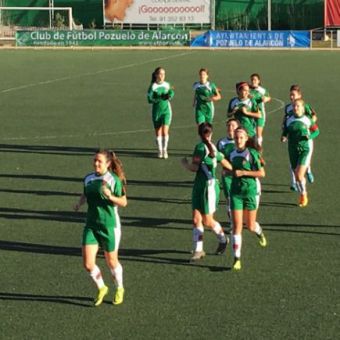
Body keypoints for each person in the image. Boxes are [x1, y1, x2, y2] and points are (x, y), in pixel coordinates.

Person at [74, 149, 127, 306]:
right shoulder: (88, 178)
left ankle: (119, 288)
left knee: (111, 261)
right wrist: (79, 203)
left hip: (109, 226)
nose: (96, 163)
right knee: (88, 263)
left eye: (100, 161)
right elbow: (85, 194)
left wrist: (110, 196)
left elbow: (124, 202)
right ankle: (102, 287)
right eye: (95, 160)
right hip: (91, 225)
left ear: (108, 163)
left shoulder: (114, 180)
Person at [181, 122, 233, 261]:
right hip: (200, 185)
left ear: (199, 133)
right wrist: (233, 171)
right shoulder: (213, 148)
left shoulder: (201, 147)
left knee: (207, 220)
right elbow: (224, 161)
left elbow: (194, 168)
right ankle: (198, 250)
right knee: (196, 218)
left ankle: (223, 239)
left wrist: (185, 164)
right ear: (211, 133)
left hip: (208, 187)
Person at [229, 127, 267, 271]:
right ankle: (236, 258)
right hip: (236, 193)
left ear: (246, 139)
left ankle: (259, 232)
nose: (238, 140)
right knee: (237, 226)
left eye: (241, 137)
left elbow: (262, 173)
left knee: (250, 226)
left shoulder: (251, 153)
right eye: (236, 137)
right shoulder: (230, 153)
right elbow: (227, 167)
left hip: (251, 191)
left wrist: (243, 172)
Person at [281, 98, 319, 207]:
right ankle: (303, 190)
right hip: (292, 149)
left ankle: (303, 195)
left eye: (298, 106)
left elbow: (316, 131)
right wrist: (283, 137)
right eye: (294, 106)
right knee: (296, 174)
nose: (295, 108)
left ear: (303, 108)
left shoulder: (307, 119)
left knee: (298, 175)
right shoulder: (289, 119)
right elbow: (285, 131)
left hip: (305, 149)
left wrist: (309, 136)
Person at [283, 85, 318, 191]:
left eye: (294, 95)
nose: (292, 97)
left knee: (303, 162)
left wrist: (306, 125)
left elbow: (314, 117)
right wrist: (284, 133)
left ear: (299, 95)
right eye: (290, 95)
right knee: (293, 164)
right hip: (293, 140)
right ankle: (294, 182)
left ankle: (308, 171)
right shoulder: (288, 108)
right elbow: (286, 120)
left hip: (304, 139)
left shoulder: (304, 106)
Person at [147, 67, 175, 159]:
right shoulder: (153, 86)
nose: (162, 76)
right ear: (156, 75)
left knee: (165, 131)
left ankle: (165, 150)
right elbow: (149, 99)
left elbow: (171, 92)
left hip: (166, 110)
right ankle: (160, 150)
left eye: (164, 74)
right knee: (158, 133)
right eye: (160, 74)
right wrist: (158, 98)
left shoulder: (167, 84)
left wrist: (169, 95)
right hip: (156, 111)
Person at [216, 118, 240, 226]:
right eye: (229, 125)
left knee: (240, 199)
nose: (230, 128)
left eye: (233, 126)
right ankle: (232, 223)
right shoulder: (221, 143)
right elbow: (218, 159)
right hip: (228, 176)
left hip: (241, 175)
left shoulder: (242, 141)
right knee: (230, 199)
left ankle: (240, 219)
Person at [249, 73, 271, 147]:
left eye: (255, 79)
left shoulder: (262, 90)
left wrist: (265, 99)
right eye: (252, 79)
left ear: (258, 81)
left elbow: (269, 98)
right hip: (250, 113)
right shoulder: (247, 89)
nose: (253, 81)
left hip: (260, 114)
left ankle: (259, 147)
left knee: (259, 133)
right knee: (252, 133)